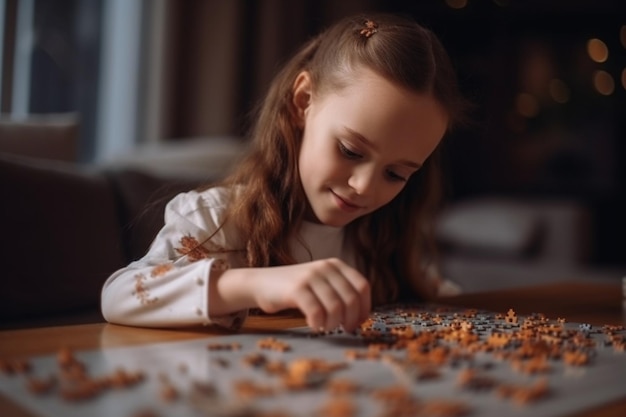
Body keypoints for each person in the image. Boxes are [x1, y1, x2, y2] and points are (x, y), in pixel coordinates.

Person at [101, 12, 469, 332]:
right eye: (350, 151)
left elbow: (445, 298)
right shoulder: (218, 218)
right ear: (303, 102)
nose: (364, 187)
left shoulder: (383, 234)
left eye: (396, 174)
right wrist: (257, 285)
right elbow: (119, 295)